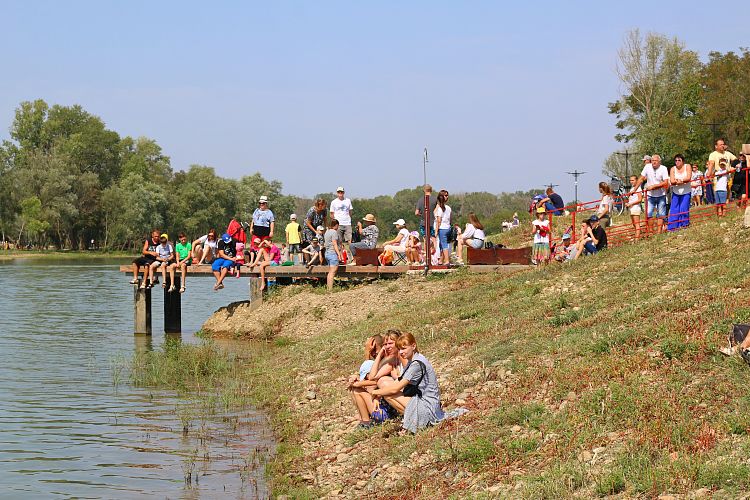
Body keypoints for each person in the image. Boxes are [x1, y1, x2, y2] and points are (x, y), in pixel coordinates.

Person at [371, 332, 445, 433]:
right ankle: (413, 421)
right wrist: (377, 396)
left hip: (428, 407)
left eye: (404, 348)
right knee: (387, 393)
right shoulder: (414, 360)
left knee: (389, 394)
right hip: (427, 403)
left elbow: (395, 388)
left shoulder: (416, 364)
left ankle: (418, 423)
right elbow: (398, 381)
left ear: (413, 346)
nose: (401, 352)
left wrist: (375, 393)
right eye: (400, 349)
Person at [635, 154, 669, 234]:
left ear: (659, 161)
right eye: (652, 160)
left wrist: (654, 186)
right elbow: (641, 178)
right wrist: (635, 189)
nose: (654, 162)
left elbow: (665, 182)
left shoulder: (663, 168)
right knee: (649, 214)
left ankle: (659, 232)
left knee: (661, 214)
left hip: (661, 194)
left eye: (655, 161)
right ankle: (650, 231)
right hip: (650, 195)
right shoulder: (647, 167)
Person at [667, 154, 692, 231]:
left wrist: (680, 181)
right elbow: (672, 181)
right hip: (676, 192)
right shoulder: (673, 169)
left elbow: (688, 177)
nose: (677, 162)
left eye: (679, 160)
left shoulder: (687, 166)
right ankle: (672, 227)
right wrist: (679, 181)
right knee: (674, 209)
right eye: (676, 160)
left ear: (683, 161)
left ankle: (684, 225)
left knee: (684, 208)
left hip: (686, 191)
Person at [330, 187, 354, 254]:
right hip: (338, 224)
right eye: (339, 192)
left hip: (347, 223)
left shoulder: (348, 200)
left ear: (343, 192)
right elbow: (331, 214)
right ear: (337, 193)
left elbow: (350, 211)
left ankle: (352, 256)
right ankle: (340, 257)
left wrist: (349, 219)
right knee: (339, 241)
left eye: (341, 192)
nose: (340, 193)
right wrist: (334, 223)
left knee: (350, 240)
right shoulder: (334, 202)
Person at [433, 192, 452, 265]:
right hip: (448, 228)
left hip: (442, 228)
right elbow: (450, 219)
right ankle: (441, 260)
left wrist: (436, 231)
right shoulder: (448, 208)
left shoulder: (440, 209)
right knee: (441, 244)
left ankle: (447, 260)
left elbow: (438, 221)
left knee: (444, 245)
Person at [324, 219, 343, 291]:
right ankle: (330, 289)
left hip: (327, 253)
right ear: (336, 225)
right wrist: (339, 254)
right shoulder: (334, 232)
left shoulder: (327, 232)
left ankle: (329, 288)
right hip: (332, 254)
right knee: (332, 272)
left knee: (330, 272)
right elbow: (335, 244)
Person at [625, 175, 644, 240]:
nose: (631, 182)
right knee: (634, 224)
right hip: (632, 208)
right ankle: (639, 235)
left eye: (633, 180)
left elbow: (640, 199)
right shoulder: (632, 188)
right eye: (630, 180)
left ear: (636, 180)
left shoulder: (638, 188)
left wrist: (631, 204)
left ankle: (636, 239)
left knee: (637, 224)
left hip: (636, 207)